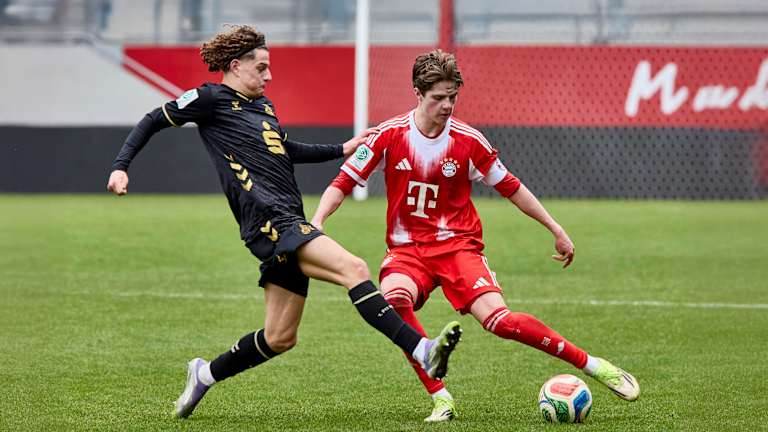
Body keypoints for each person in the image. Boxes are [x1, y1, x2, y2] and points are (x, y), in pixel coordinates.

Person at [106, 26, 462, 419]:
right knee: (354, 268)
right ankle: (422, 350)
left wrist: (341, 149)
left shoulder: (263, 106)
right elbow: (153, 119)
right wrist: (121, 168)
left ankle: (205, 374)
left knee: (279, 337)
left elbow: (286, 150)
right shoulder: (210, 99)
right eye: (261, 67)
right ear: (235, 66)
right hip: (268, 221)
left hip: (286, 218)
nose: (268, 75)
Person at [311, 49, 640, 423]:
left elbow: (512, 187)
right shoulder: (389, 136)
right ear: (418, 94)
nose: (447, 105)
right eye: (438, 98)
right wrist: (318, 220)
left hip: (458, 247)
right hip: (407, 251)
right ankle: (441, 397)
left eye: (453, 96)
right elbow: (342, 181)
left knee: (501, 322)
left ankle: (593, 365)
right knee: (394, 299)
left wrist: (555, 228)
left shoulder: (469, 141)